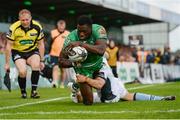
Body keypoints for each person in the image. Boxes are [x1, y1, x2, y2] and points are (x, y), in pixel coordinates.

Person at [68, 57, 176, 103]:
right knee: (129, 96)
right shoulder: (97, 60)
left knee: (124, 97)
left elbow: (99, 84)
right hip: (112, 85)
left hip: (109, 88)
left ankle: (74, 88)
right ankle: (74, 89)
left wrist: (85, 79)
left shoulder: (101, 65)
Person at [59, 15, 113, 105]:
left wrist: (81, 44)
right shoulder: (70, 39)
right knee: (88, 102)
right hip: (82, 68)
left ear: (91, 27)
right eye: (79, 31)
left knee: (107, 98)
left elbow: (101, 50)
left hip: (99, 64)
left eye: (84, 31)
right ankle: (76, 86)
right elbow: (61, 61)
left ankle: (75, 85)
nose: (81, 34)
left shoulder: (99, 30)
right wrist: (74, 62)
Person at [5, 9, 45, 99]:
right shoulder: (13, 28)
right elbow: (8, 46)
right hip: (18, 52)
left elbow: (41, 44)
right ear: (19, 19)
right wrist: (7, 64)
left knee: (36, 66)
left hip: (32, 51)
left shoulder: (37, 26)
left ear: (30, 18)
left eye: (27, 19)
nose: (25, 22)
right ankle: (23, 92)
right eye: (23, 20)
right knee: (22, 72)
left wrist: (42, 60)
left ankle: (34, 91)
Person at [49, 20, 70, 88]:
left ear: (65, 26)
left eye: (62, 26)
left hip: (64, 55)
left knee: (63, 69)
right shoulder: (53, 32)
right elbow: (48, 43)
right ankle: (55, 82)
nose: (61, 27)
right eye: (60, 26)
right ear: (57, 26)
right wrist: (47, 52)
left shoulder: (68, 33)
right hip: (54, 54)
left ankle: (62, 83)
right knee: (55, 68)